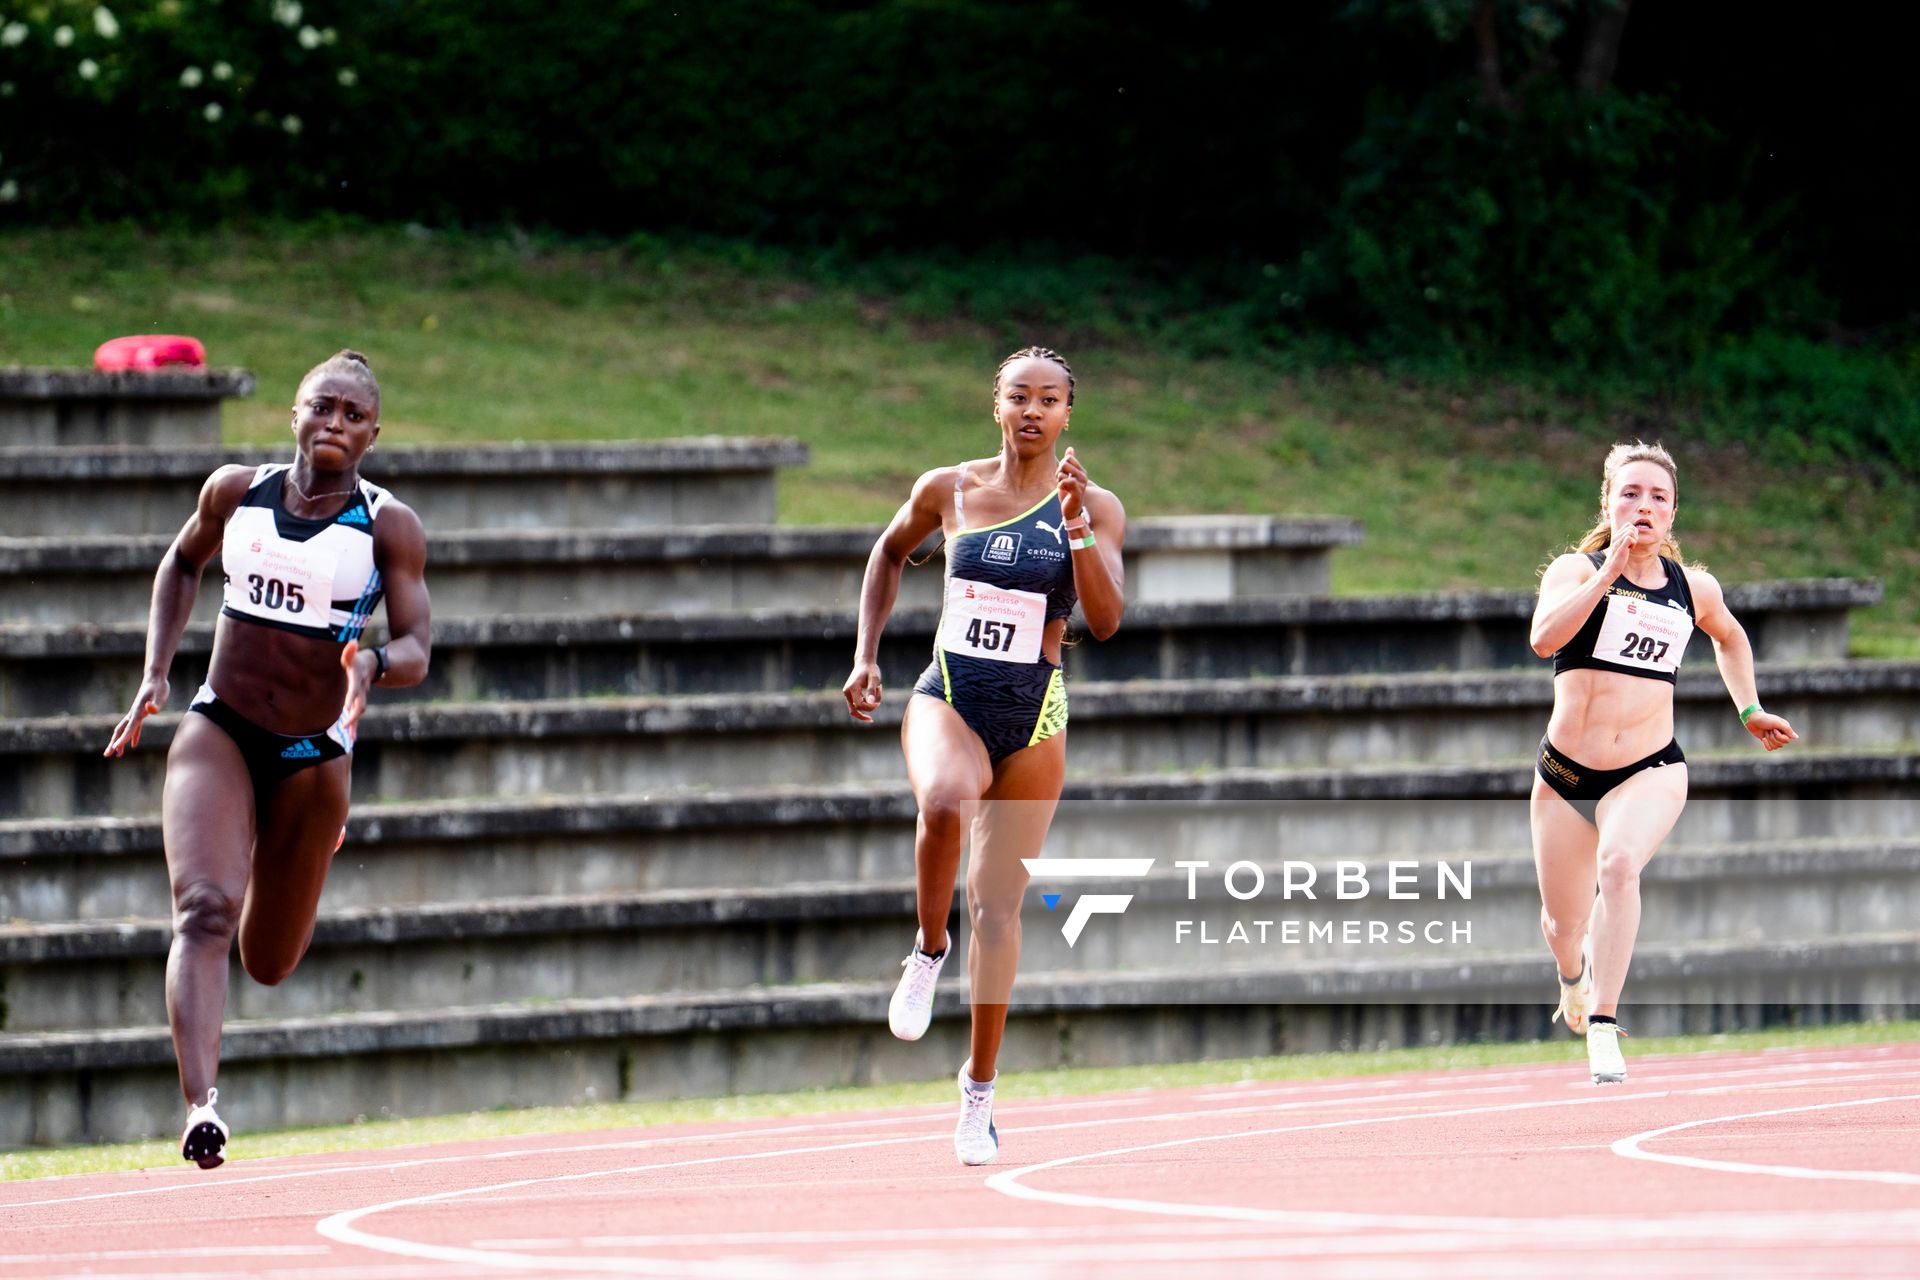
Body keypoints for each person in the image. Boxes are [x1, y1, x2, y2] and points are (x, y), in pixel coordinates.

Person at [103, 350, 431, 1168]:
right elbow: (182, 562)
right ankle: (200, 1108)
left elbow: (421, 644)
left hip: (313, 755)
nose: (335, 424)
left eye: (354, 415)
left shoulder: (388, 525)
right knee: (204, 909)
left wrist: (374, 664)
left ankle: (295, 847)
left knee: (269, 959)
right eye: (323, 407)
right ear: (294, 413)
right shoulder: (235, 492)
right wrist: (155, 671)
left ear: (372, 435)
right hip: (222, 724)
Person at [841, 346, 1126, 1165]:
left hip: (1035, 716)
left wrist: (1073, 524)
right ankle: (929, 950)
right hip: (951, 697)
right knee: (941, 802)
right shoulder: (950, 489)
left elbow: (1104, 620)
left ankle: (978, 1093)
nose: (1033, 411)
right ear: (995, 406)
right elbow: (890, 552)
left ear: (1070, 413)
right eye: (1019, 397)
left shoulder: (1096, 506)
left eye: (1049, 400)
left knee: (999, 912)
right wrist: (866, 656)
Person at [1528, 441, 1795, 1085]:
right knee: (1564, 924)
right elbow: (1543, 640)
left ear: (1673, 514)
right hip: (1567, 778)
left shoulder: (1692, 588)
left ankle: (1603, 1024)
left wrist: (1749, 709)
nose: (1643, 506)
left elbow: (1730, 635)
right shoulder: (1573, 570)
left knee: (1618, 866)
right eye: (1630, 493)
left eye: (1657, 497)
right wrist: (1606, 573)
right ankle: (1573, 979)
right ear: (1608, 503)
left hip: (1651, 767)